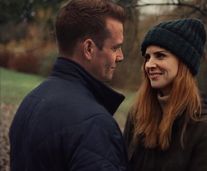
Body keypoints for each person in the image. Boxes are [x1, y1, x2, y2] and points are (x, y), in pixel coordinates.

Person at [9, 0, 128, 170]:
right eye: (115, 48)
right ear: (89, 48)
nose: (120, 56)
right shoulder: (94, 124)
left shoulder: (30, 102)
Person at [123, 18, 207, 171]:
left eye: (160, 56)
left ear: (184, 63)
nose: (149, 65)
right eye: (147, 57)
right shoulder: (137, 115)